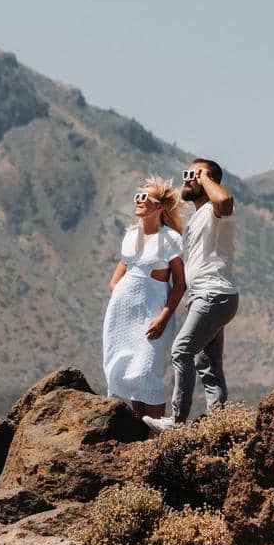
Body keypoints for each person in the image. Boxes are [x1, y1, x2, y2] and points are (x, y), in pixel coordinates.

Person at [145, 158, 238, 432]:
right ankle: (220, 425)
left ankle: (177, 421)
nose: (187, 178)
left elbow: (226, 201)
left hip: (214, 294)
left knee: (182, 349)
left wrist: (205, 177)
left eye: (193, 174)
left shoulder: (215, 209)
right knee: (206, 363)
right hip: (204, 296)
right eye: (187, 173)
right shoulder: (198, 216)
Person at [102, 177, 186, 424]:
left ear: (159, 206)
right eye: (137, 196)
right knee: (128, 373)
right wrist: (124, 298)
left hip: (154, 316)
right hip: (122, 317)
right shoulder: (130, 235)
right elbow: (115, 280)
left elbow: (180, 284)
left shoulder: (170, 238)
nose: (138, 201)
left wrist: (163, 317)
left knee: (145, 371)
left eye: (144, 198)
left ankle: (155, 437)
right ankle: (139, 433)